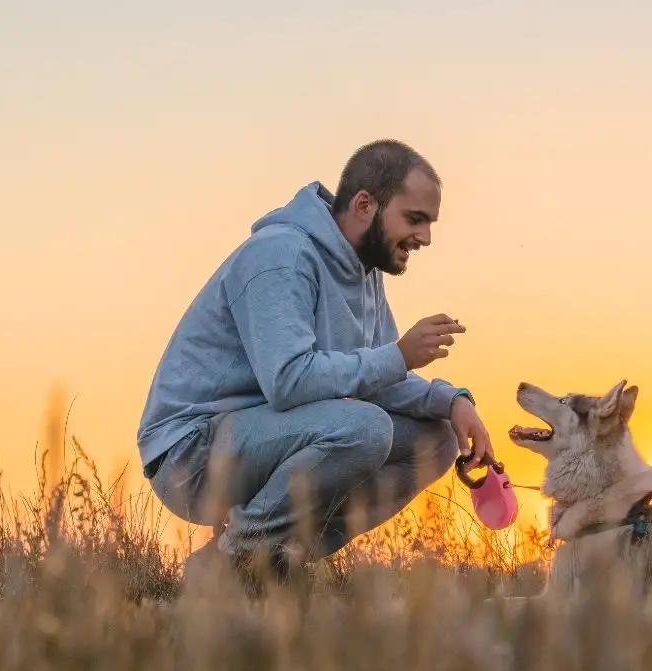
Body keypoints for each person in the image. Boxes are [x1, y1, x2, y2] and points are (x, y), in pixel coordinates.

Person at [137, 139, 493, 589]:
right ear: (365, 204)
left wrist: (450, 401)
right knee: (364, 428)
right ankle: (236, 558)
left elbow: (379, 377)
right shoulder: (281, 255)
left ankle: (279, 558)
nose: (425, 237)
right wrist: (399, 354)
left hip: (267, 436)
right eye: (414, 219)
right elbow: (288, 380)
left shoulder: (365, 273)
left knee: (436, 440)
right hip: (190, 451)